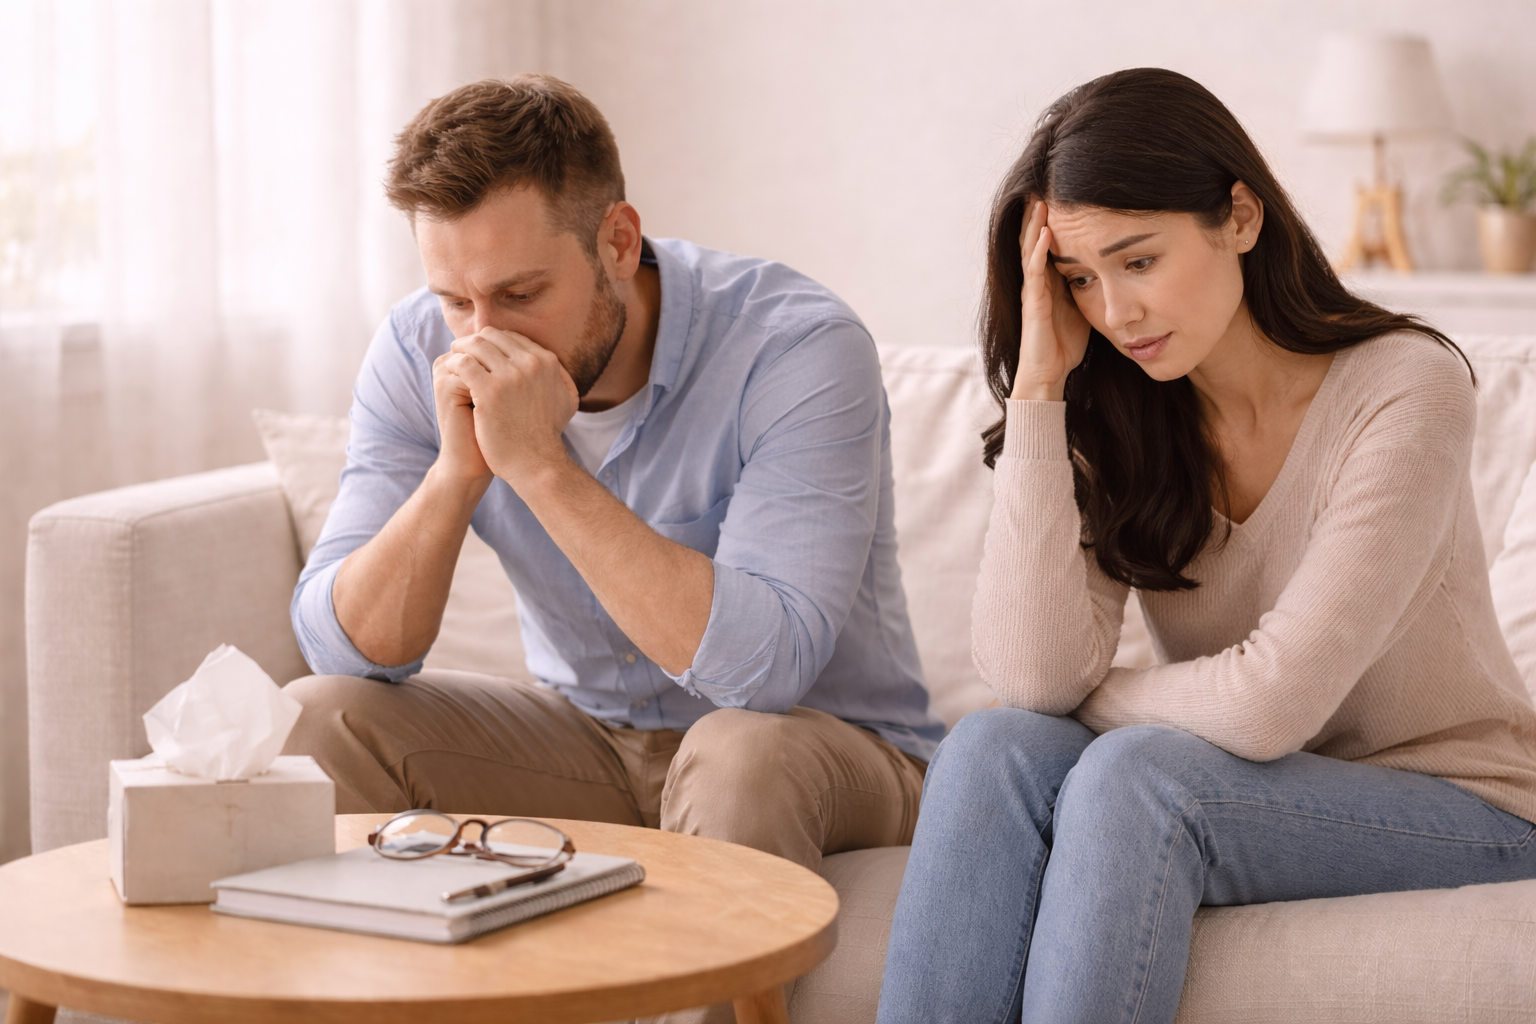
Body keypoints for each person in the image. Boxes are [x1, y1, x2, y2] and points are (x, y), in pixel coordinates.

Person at [877, 68, 1536, 1024]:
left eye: (1137, 261)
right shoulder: (1120, 411)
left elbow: (1270, 705)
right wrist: (1038, 392)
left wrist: (1098, 697)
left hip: (1462, 805)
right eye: (1078, 279)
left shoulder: (1407, 387)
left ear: (1239, 216)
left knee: (1138, 777)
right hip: (1242, 781)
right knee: (990, 747)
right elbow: (1030, 679)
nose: (1114, 312)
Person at [282, 74, 942, 880]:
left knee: (736, 753)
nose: (483, 339)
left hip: (816, 745)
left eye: (520, 293)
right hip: (588, 740)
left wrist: (539, 468)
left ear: (619, 243)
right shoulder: (417, 346)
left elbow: (764, 674)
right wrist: (458, 475)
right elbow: (342, 653)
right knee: (320, 720)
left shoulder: (795, 347)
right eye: (455, 299)